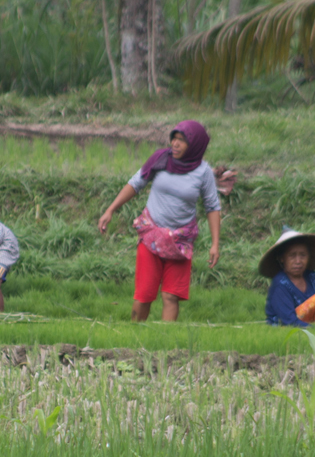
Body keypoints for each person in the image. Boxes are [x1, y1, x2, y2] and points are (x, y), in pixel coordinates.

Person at [96, 120, 230, 322]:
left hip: (180, 241)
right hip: (152, 236)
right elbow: (136, 183)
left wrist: (215, 244)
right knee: (144, 295)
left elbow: (212, 206)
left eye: (182, 140)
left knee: (171, 296)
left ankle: (165, 346)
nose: (175, 144)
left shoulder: (202, 172)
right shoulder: (161, 159)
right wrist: (110, 210)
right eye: (174, 138)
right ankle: (133, 338)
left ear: (194, 145)